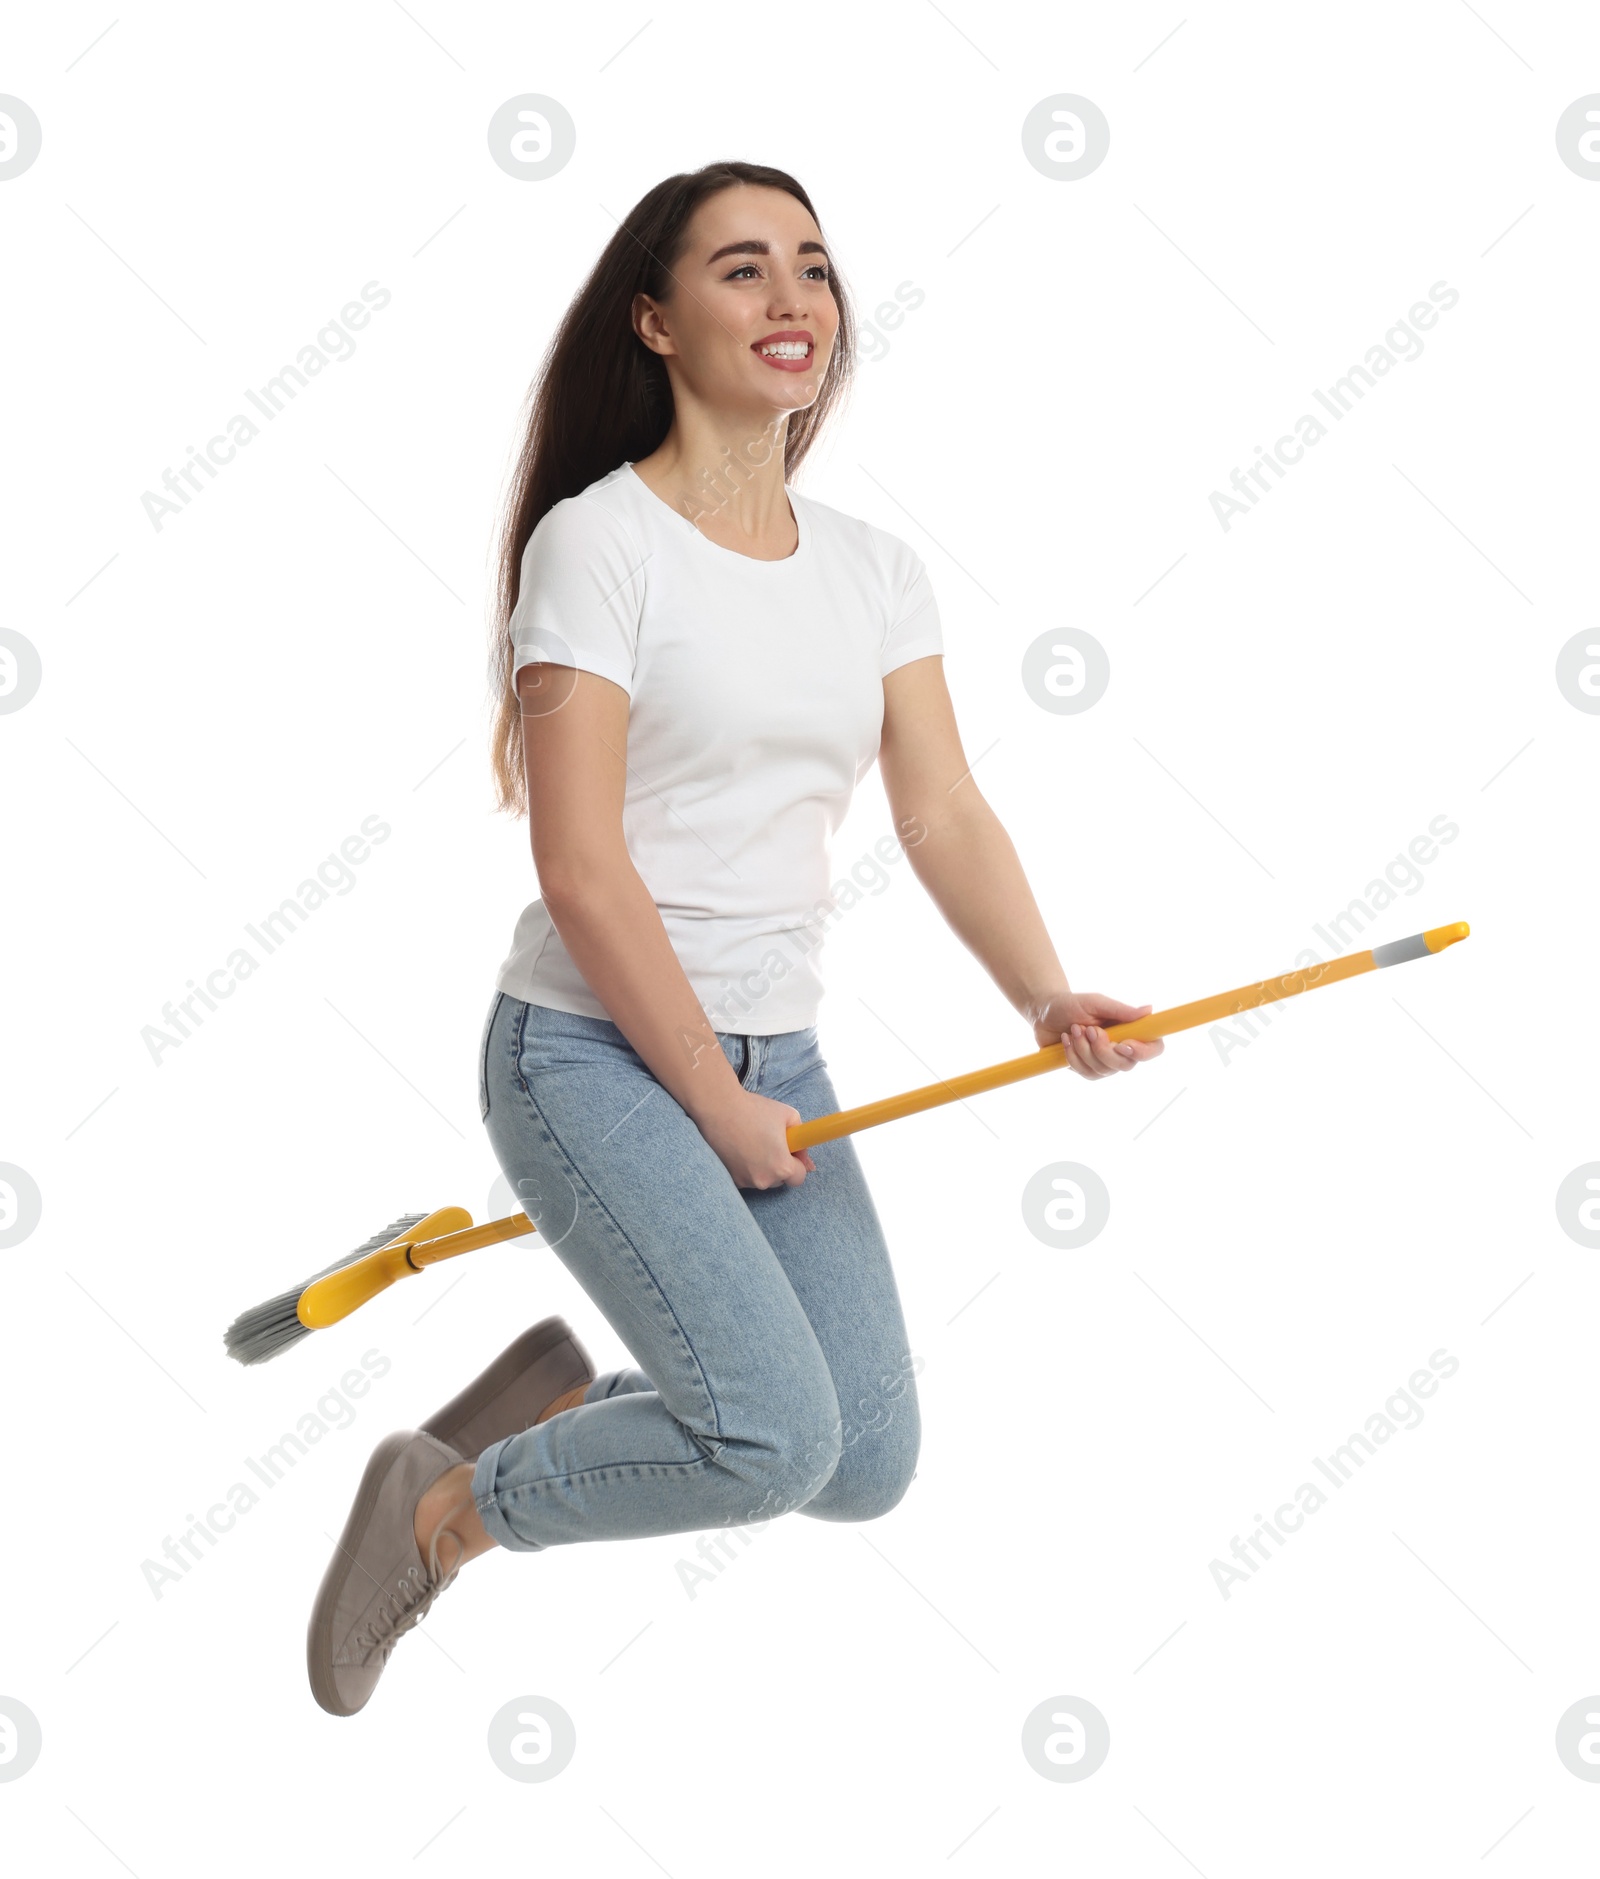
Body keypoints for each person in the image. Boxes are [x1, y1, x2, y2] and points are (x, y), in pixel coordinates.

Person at [307, 159, 1163, 1716]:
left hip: (779, 1057)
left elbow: (947, 812)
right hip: (592, 1055)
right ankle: (448, 1508)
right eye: (744, 268)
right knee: (774, 1440)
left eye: (817, 269)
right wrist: (708, 1098)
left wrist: (1046, 994)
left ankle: (536, 1417)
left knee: (862, 1462)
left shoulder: (872, 569)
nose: (794, 300)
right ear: (654, 319)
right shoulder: (599, 545)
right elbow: (580, 867)